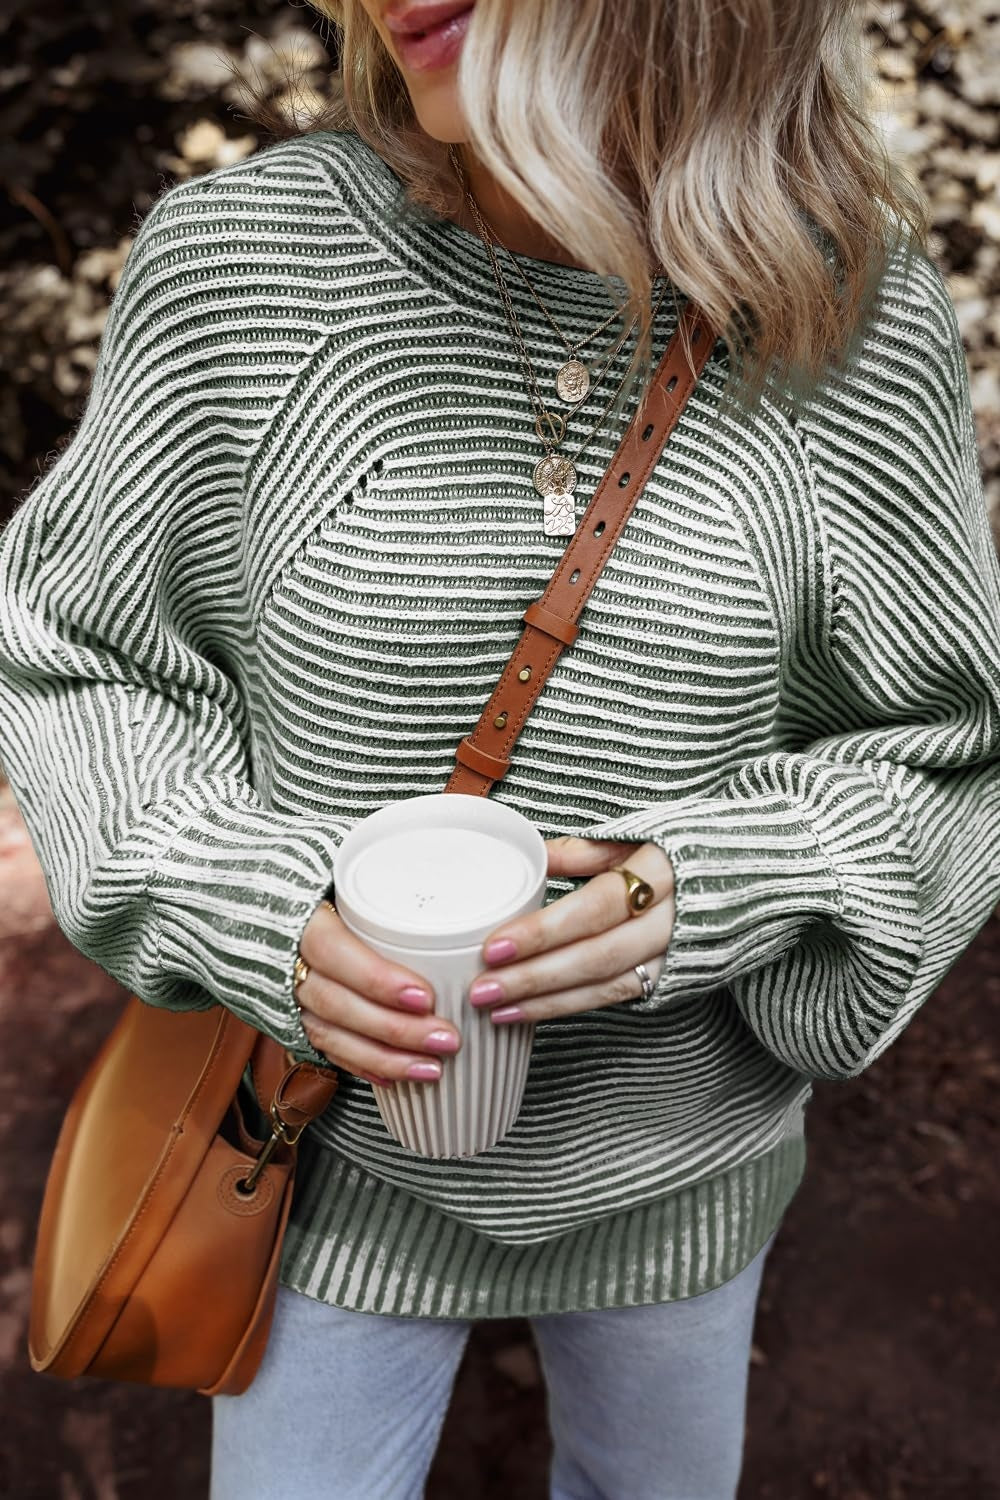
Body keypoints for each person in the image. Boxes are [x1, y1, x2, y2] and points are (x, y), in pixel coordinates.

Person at [1, 0, 999, 1495]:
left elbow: (946, 753)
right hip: (313, 1161)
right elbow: (75, 652)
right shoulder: (243, 267)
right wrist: (252, 904)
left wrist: (714, 884)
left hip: (682, 1169)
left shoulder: (850, 317)